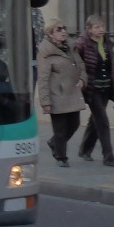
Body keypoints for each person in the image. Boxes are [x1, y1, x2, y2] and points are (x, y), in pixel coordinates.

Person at [75, 14, 114, 166]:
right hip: (91, 88)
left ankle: (84, 149)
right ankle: (108, 156)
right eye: (97, 27)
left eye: (102, 26)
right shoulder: (82, 43)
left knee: (95, 120)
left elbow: (111, 67)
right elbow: (76, 64)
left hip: (105, 86)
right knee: (102, 120)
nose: (101, 29)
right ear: (89, 29)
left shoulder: (107, 42)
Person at [35, 20, 85, 167]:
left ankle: (54, 143)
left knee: (75, 123)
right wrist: (45, 102)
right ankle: (61, 157)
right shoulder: (45, 52)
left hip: (72, 93)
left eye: (64, 28)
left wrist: (83, 79)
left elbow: (81, 65)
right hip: (57, 95)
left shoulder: (71, 47)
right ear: (50, 34)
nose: (63, 31)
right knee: (60, 129)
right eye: (58, 29)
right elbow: (43, 79)